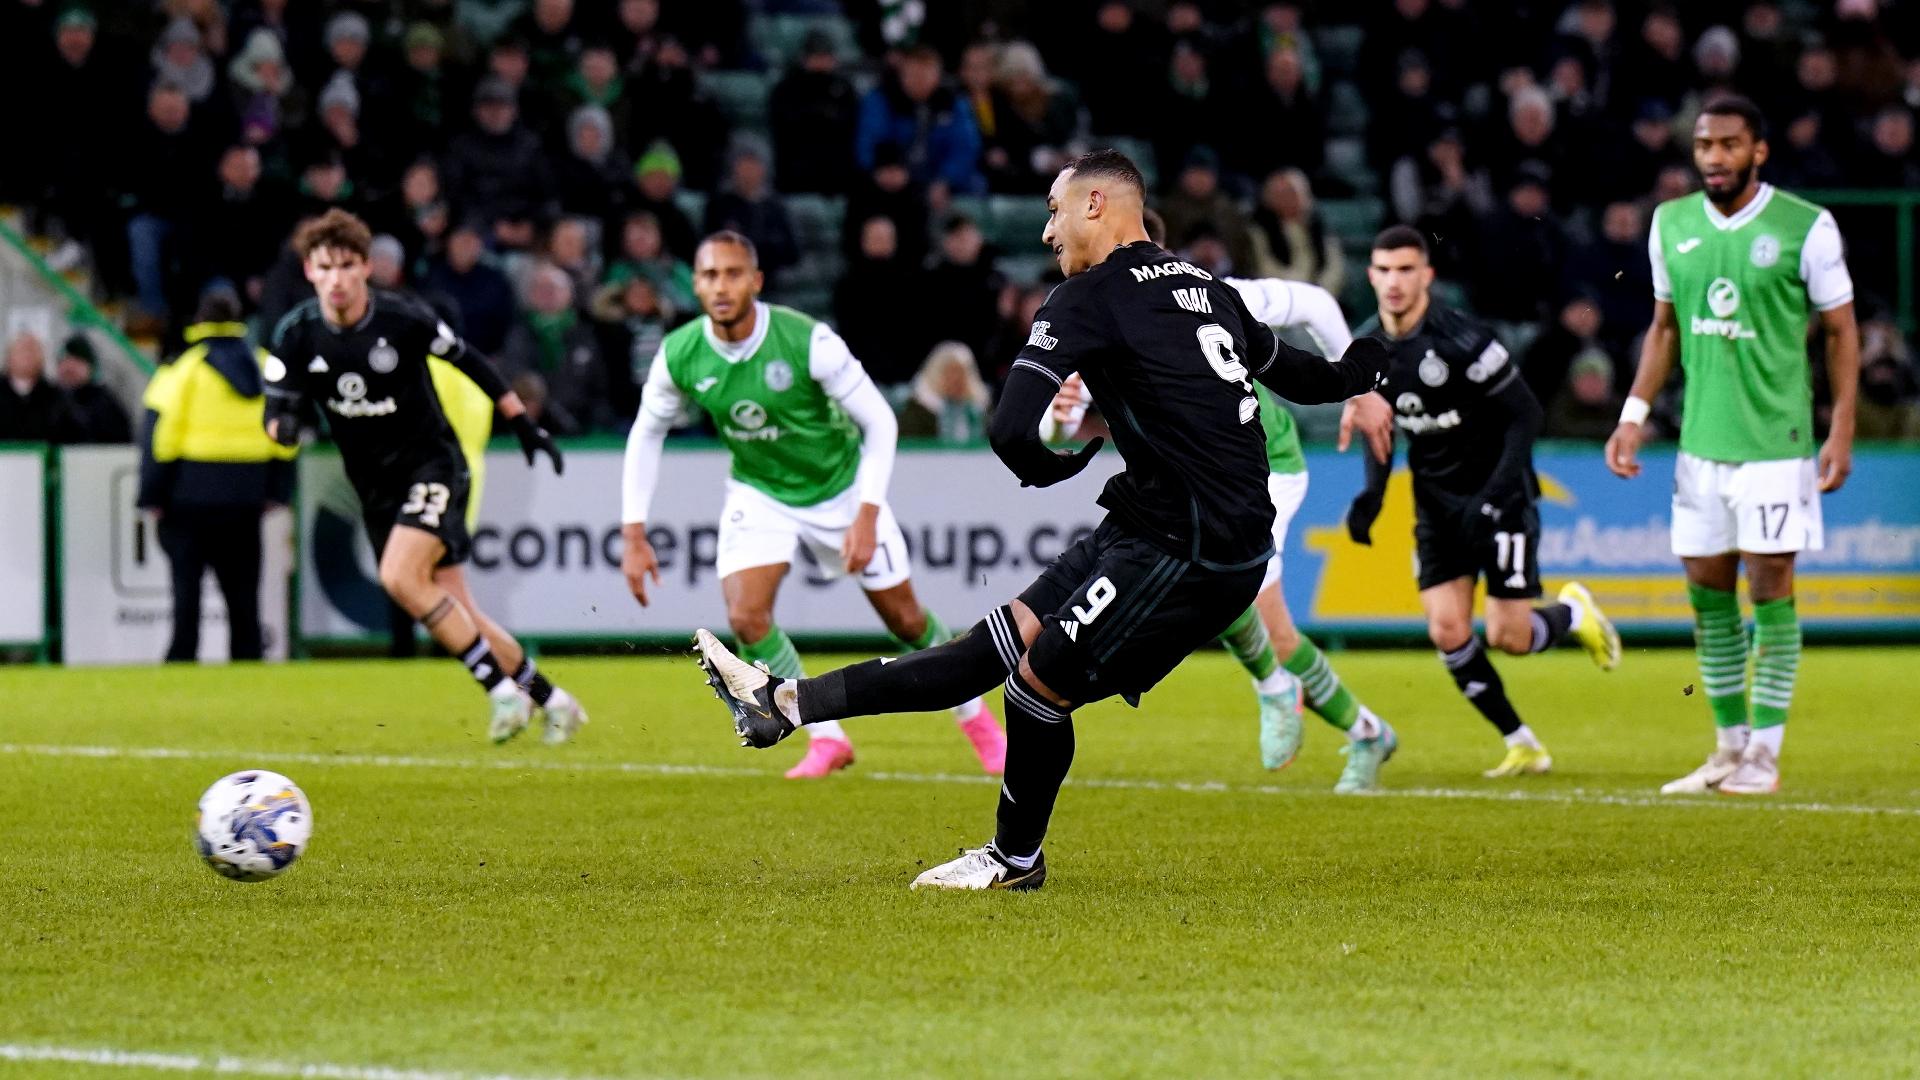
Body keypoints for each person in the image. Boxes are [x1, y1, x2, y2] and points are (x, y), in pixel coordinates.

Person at [690, 150, 1389, 890]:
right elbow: (1309, 377)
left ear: (1096, 205)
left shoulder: (1084, 299)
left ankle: (1014, 860)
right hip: (1161, 524)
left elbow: (1009, 430)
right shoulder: (1208, 288)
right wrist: (1376, 362)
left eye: (1055, 211)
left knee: (1034, 688)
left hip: (1190, 547)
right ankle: (783, 703)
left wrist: (1050, 466)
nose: (1048, 232)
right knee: (986, 649)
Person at [622, 231, 1006, 779]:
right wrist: (633, 534)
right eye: (709, 275)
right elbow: (645, 434)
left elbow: (880, 421)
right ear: (696, 285)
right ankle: (826, 739)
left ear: (756, 281)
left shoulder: (808, 341)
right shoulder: (680, 352)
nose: (721, 286)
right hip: (760, 491)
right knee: (746, 617)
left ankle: (979, 724)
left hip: (842, 488)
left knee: (906, 619)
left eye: (733, 274)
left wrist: (866, 515)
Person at [1050, 210, 1400, 792]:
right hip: (1197, 484)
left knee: (1245, 599)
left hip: (1267, 467)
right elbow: (1058, 427)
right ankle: (1364, 730)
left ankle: (1288, 694)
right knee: (1255, 615)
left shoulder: (1209, 292)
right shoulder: (1100, 319)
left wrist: (1360, 393)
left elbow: (1315, 303)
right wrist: (1061, 417)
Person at [1605, 96, 1858, 797]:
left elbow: (1842, 330)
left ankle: (1765, 757)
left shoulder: (1805, 226)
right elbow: (1664, 327)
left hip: (1776, 445)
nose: (1714, 157)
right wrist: (1632, 415)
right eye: (1704, 145)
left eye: (1729, 144)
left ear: (1758, 151)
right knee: (1707, 594)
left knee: (1770, 588)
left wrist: (1841, 427)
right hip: (1700, 446)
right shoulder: (1671, 223)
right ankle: (1728, 748)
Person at [264, 209, 588, 745]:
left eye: (346, 265)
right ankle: (554, 700)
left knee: (397, 576)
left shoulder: (401, 320)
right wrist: (285, 429)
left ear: (365, 267)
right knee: (461, 611)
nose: (337, 278)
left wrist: (522, 422)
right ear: (309, 271)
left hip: (432, 466)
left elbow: (471, 360)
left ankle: (501, 692)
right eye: (325, 267)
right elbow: (276, 415)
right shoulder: (296, 333)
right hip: (375, 489)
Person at [1344, 225, 1620, 780]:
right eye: (1384, 270)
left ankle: (1572, 614)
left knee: (1508, 637)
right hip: (1436, 505)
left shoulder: (1463, 339)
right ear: (1370, 276)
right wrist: (1373, 494)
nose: (1394, 282)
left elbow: (1526, 415)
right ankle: (1522, 743)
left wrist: (1493, 497)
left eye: (1406, 270)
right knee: (1447, 629)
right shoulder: (1367, 349)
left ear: (1427, 276)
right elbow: (1379, 427)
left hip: (1501, 496)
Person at [137, 289, 295, 662]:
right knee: (244, 594)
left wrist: (152, 494)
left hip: (189, 493)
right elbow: (286, 431)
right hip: (246, 494)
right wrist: (278, 489)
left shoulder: (183, 369)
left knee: (186, 591)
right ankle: (248, 660)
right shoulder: (264, 365)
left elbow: (161, 437)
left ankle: (182, 660)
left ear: (199, 322)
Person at [899, 341, 991, 444]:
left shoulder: (980, 411)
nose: (956, 380)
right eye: (950, 373)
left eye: (961, 373)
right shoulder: (916, 410)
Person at [52, 335, 132, 444]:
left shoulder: (105, 405)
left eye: (77, 361)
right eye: (65, 360)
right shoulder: (48, 400)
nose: (69, 366)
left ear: (90, 368)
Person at [0, 333, 65, 441]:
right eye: (22, 350)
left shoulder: (56, 395)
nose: (27, 356)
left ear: (42, 359)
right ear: (9, 357)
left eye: (32, 351)